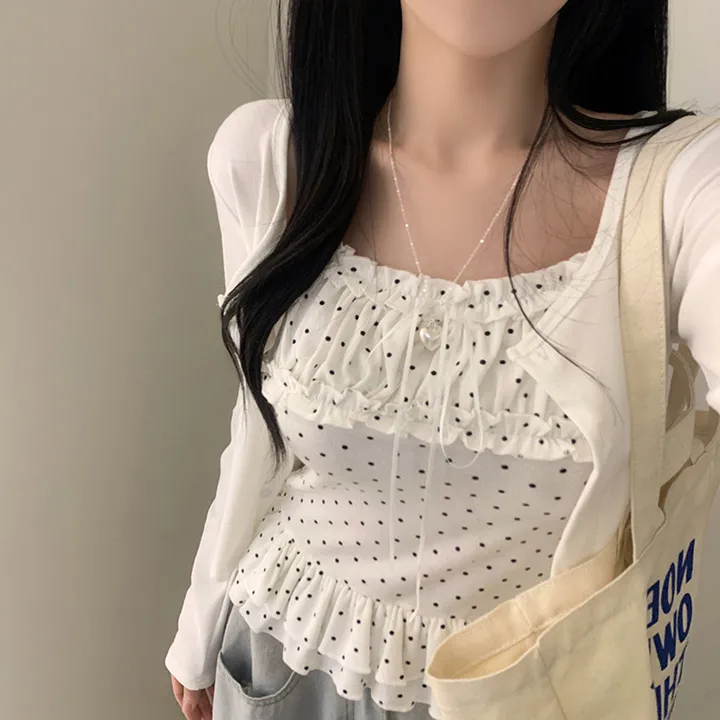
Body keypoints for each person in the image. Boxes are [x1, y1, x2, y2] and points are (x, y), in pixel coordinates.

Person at [166, 2, 720, 718]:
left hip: (523, 693)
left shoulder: (677, 187)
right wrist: (198, 626)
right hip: (282, 650)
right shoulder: (270, 155)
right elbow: (256, 425)